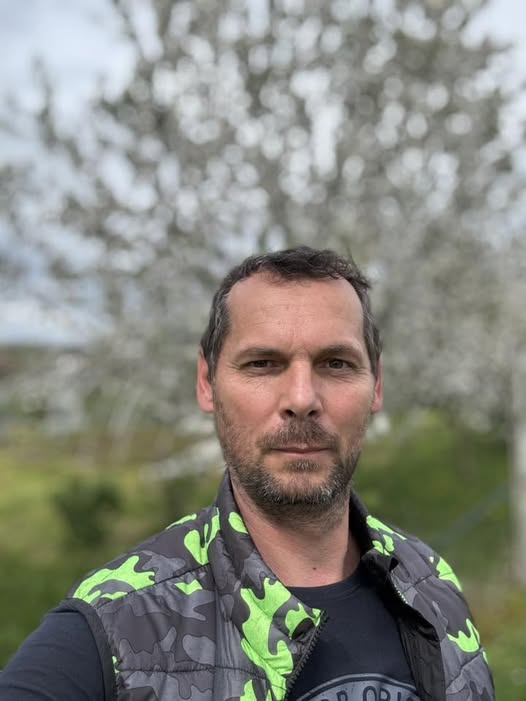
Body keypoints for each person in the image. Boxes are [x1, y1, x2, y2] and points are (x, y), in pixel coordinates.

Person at [0, 246, 494, 701]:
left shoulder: (429, 582)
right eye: (262, 364)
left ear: (377, 385)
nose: (302, 399)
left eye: (336, 363)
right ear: (207, 383)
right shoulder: (115, 628)